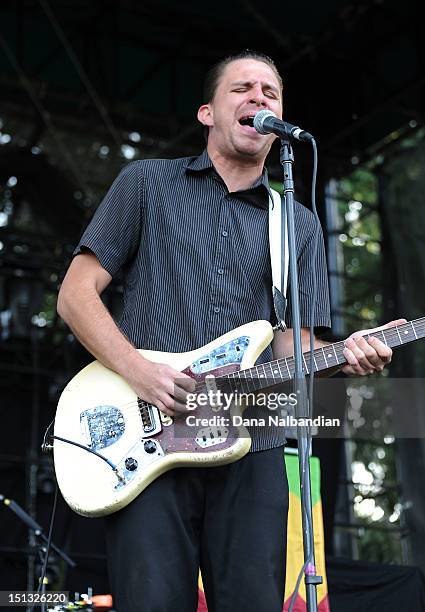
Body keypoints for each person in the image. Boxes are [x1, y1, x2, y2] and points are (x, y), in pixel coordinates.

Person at [57, 51, 401, 612]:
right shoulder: (146, 184)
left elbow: (291, 346)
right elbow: (75, 296)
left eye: (271, 91)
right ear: (207, 113)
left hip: (253, 443)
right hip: (151, 441)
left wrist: (346, 354)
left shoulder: (298, 223)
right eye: (242, 88)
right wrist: (140, 372)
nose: (259, 97)